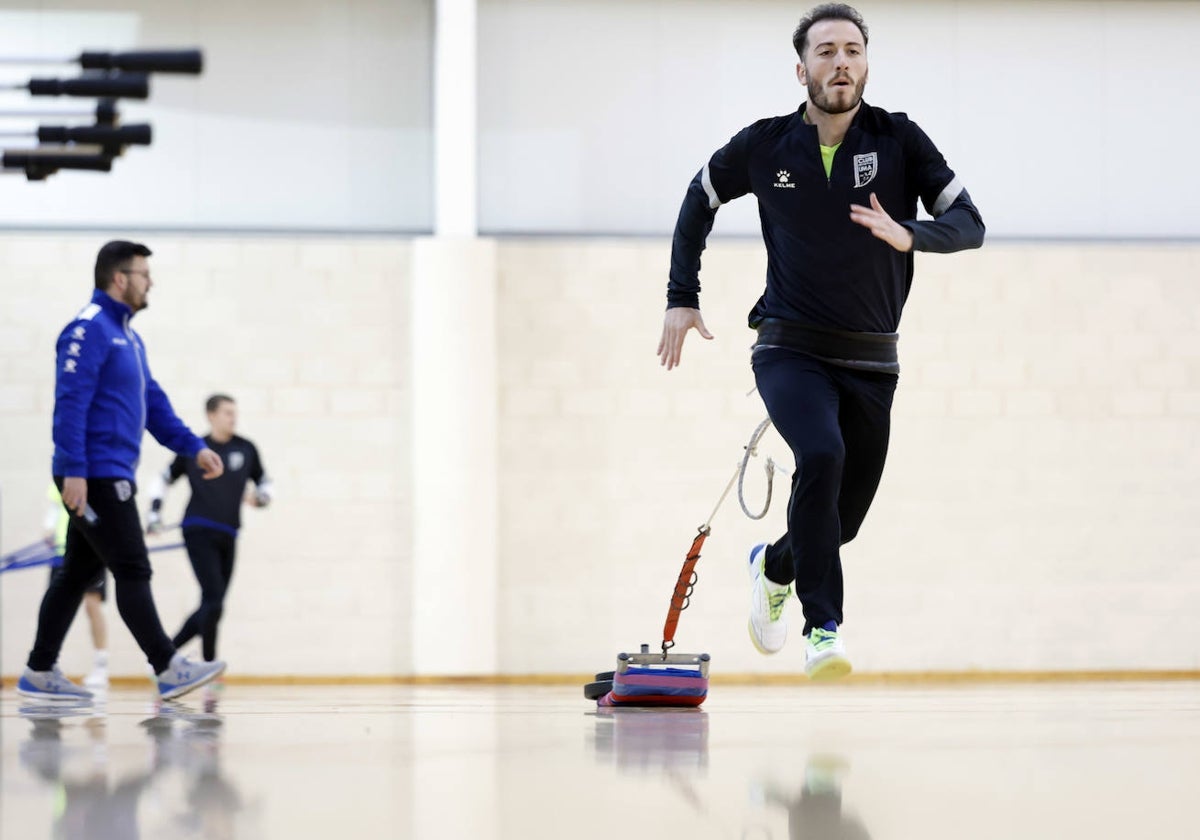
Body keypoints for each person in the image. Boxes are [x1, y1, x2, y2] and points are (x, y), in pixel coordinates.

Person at [658, 3, 984, 679]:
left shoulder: (900, 142)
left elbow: (970, 223)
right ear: (802, 68)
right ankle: (823, 629)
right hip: (789, 347)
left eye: (854, 51)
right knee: (820, 451)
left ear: (866, 63)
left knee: (843, 525)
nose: (842, 62)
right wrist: (681, 297)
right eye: (828, 51)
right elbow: (699, 198)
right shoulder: (765, 145)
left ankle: (773, 566)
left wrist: (911, 233)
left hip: (872, 360)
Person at [18, 240, 228, 702]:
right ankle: (167, 665)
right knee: (132, 566)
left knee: (75, 574)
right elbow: (69, 405)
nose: (150, 281)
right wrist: (74, 469)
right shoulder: (87, 330)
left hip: (107, 472)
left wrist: (194, 447)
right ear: (120, 278)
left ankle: (39, 670)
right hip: (93, 474)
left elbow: (154, 405)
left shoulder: (130, 339)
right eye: (143, 274)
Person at [146, 393, 272, 663]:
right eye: (227, 412)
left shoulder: (246, 448)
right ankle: (173, 659)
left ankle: (188, 659)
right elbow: (162, 480)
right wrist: (154, 514)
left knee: (213, 604)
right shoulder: (196, 448)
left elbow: (265, 484)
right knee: (213, 598)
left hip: (229, 532)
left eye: (234, 412)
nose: (233, 418)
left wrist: (260, 498)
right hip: (198, 528)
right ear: (211, 415)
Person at [42, 483, 109, 688]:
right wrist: (49, 528)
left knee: (92, 604)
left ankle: (101, 667)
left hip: (92, 548)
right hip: (62, 552)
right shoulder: (63, 474)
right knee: (58, 607)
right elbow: (55, 508)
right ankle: (47, 663)